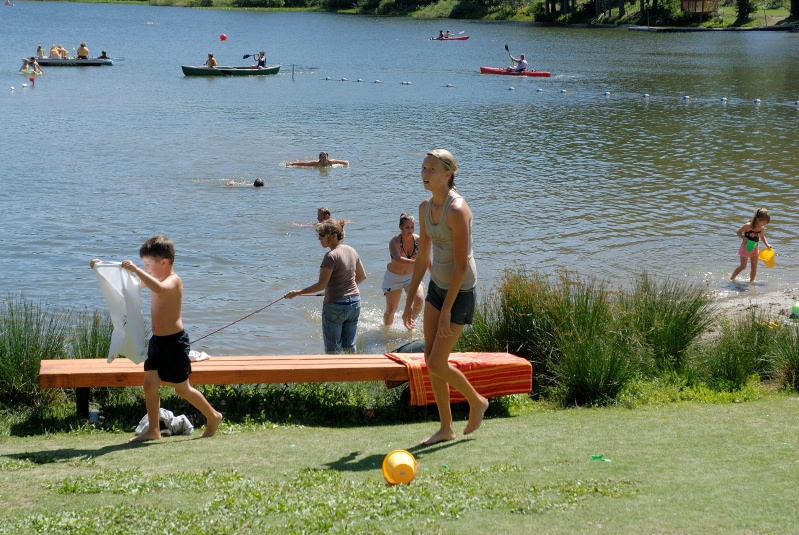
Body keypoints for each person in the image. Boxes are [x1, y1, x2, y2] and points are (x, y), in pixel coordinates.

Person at [90, 235, 223, 442]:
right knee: (149, 385)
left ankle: (213, 416)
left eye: (148, 265)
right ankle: (154, 430)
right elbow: (128, 283)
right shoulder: (156, 278)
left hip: (175, 343)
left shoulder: (173, 280)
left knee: (182, 389)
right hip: (157, 341)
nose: (146, 268)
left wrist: (136, 269)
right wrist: (102, 269)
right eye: (143, 265)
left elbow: (158, 288)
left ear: (164, 262)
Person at [402, 149, 488, 445]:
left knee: (438, 363)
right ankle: (446, 427)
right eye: (423, 168)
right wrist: (410, 299)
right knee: (429, 359)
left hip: (460, 291)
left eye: (432, 169)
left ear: (448, 173)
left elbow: (461, 265)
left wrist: (448, 311)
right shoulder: (425, 207)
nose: (425, 174)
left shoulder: (458, 209)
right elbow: (422, 255)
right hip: (438, 286)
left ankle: (477, 402)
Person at [284, 219, 366, 354]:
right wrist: (345, 288)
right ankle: (352, 373)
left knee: (333, 350)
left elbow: (321, 285)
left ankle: (334, 373)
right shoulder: (351, 250)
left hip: (336, 305)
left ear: (333, 236)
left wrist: (296, 293)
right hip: (355, 302)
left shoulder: (330, 256)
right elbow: (362, 276)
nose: (319, 238)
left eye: (322, 235)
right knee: (349, 346)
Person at [383, 212, 425, 326]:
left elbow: (425, 256)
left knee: (419, 299)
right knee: (391, 309)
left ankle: (410, 320)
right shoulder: (394, 242)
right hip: (394, 278)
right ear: (400, 227)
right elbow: (397, 258)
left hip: (411, 276)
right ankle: (386, 331)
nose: (410, 230)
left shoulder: (418, 240)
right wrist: (415, 262)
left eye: (412, 227)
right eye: (407, 227)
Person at [731, 207, 772, 283]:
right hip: (745, 247)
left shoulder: (761, 228)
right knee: (743, 266)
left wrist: (767, 245)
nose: (765, 224)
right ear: (758, 219)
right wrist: (744, 238)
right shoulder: (747, 225)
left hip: (755, 247)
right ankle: (732, 278)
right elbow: (738, 232)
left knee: (754, 267)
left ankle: (751, 282)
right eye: (764, 222)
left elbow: (762, 237)